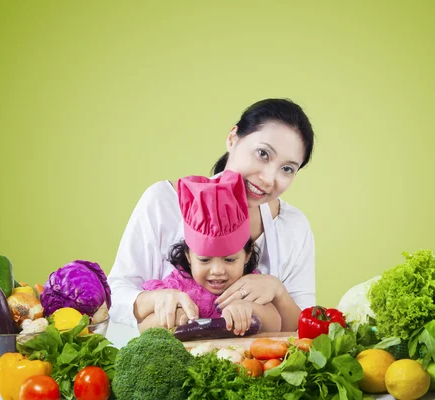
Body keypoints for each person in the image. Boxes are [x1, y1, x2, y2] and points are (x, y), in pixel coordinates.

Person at [108, 98, 316, 331]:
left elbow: (305, 330)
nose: (268, 178)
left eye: (287, 169)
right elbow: (114, 295)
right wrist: (155, 301)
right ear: (232, 138)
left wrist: (277, 291)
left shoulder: (294, 227)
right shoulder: (162, 202)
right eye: (263, 154)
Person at [136, 171, 281, 334]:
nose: (217, 271)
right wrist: (171, 317)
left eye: (230, 260)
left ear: (247, 256)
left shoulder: (247, 286)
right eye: (205, 260)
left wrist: (249, 309)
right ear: (188, 256)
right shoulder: (176, 287)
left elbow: (276, 323)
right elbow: (143, 328)